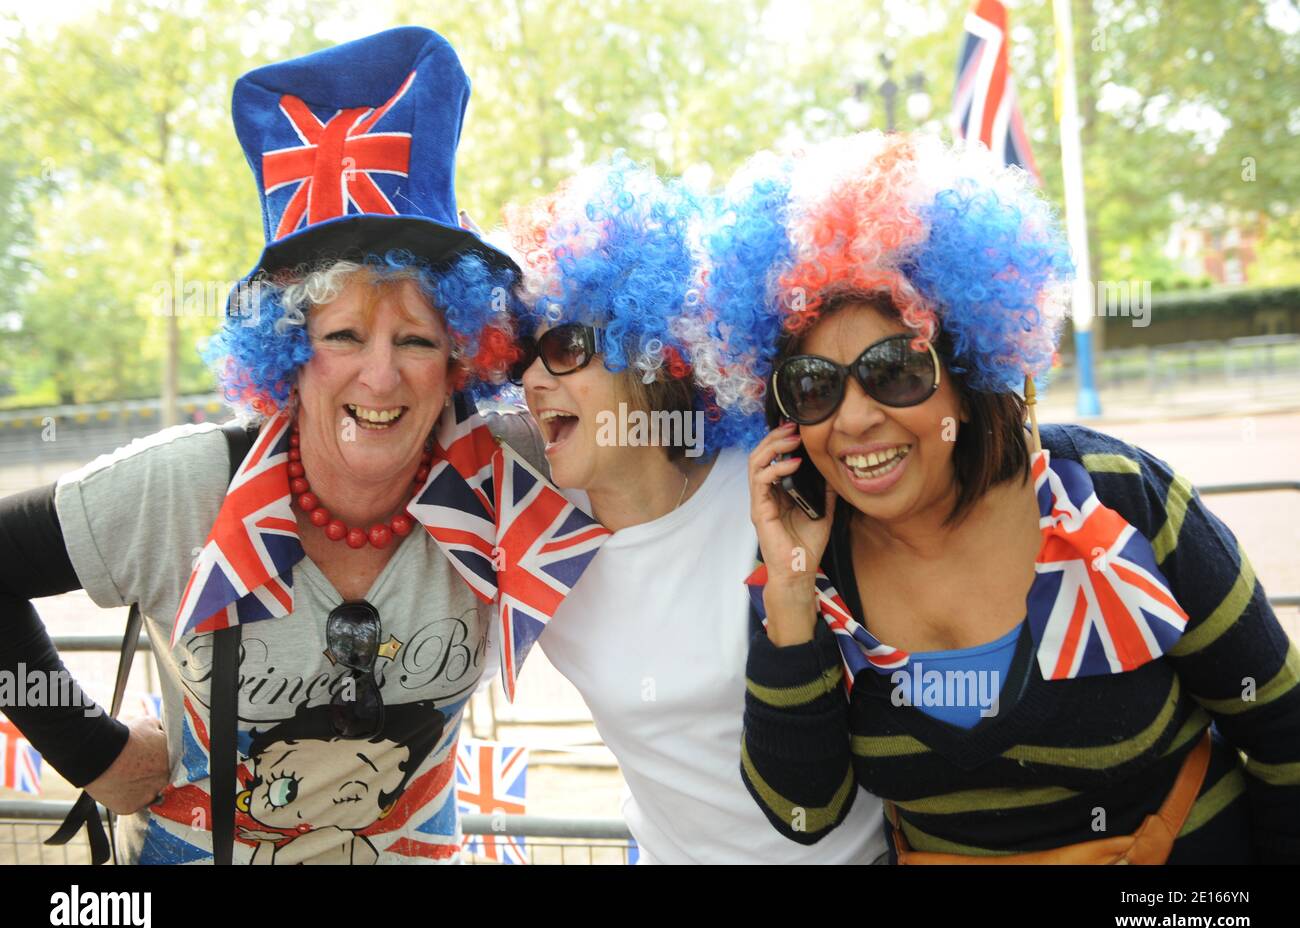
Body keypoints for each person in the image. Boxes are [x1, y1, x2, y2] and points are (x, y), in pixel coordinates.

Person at [0, 27, 530, 864]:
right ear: (288, 349)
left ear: (462, 355)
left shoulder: (511, 481)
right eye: (344, 334)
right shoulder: (184, 486)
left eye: (420, 341)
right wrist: (91, 754)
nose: (381, 378)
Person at [737, 132, 1300, 863]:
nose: (852, 418)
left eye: (895, 371)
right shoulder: (809, 562)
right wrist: (789, 595)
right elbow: (806, 811)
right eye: (814, 385)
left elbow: (1284, 735)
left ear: (969, 382)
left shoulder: (1113, 495)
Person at [502, 155, 887, 863]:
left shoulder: (777, 485)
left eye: (563, 347)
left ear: (649, 351)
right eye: (521, 352)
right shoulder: (531, 524)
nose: (530, 377)